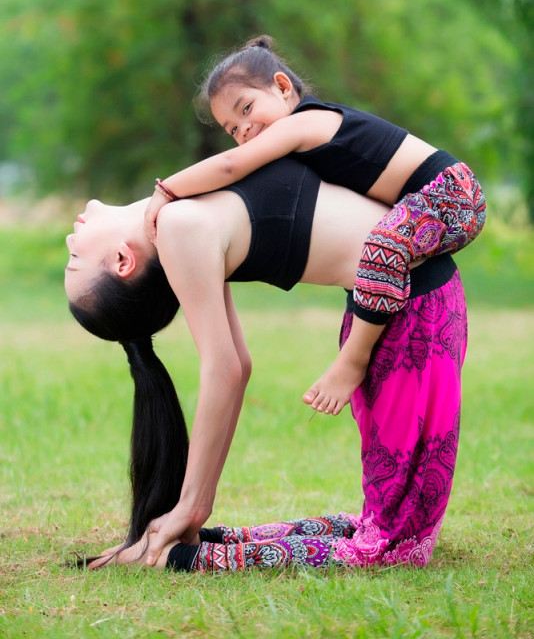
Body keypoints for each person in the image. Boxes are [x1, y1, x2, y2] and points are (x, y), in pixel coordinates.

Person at [65, 156, 467, 571]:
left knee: (393, 542)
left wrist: (193, 505)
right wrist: (193, 506)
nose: (69, 242)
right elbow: (230, 367)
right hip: (402, 316)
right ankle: (186, 551)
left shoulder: (180, 212)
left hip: (405, 313)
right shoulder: (180, 224)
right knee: (390, 542)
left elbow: (231, 368)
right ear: (122, 261)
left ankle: (184, 550)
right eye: (74, 259)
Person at [144, 35, 485, 417]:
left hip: (454, 194)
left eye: (247, 109)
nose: (244, 130)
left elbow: (230, 166)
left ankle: (352, 362)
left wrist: (166, 190)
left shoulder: (305, 123)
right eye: (232, 129)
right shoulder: (298, 135)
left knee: (383, 245)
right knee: (377, 245)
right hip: (434, 200)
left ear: (282, 86)